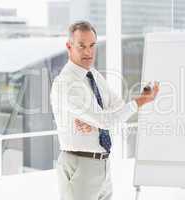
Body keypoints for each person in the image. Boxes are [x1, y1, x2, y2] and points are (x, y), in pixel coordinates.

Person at [50, 21, 159, 200]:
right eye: (82, 46)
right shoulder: (65, 83)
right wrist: (139, 102)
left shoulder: (93, 75)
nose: (88, 52)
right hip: (80, 165)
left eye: (92, 45)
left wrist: (96, 124)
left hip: (103, 166)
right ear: (69, 46)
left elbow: (117, 105)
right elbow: (108, 119)